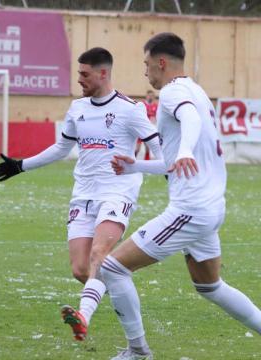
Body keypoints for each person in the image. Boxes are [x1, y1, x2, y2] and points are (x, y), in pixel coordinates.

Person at [97, 32, 261, 360]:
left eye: (146, 65)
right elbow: (179, 163)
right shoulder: (196, 90)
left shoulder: (174, 93)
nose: (145, 72)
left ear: (161, 62)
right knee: (209, 286)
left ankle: (137, 351)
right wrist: (136, 166)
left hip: (191, 210)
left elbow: (190, 119)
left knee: (112, 268)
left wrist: (184, 148)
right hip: (210, 207)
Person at [0, 47, 161, 341]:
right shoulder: (77, 108)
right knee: (82, 269)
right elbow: (61, 147)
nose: (79, 79)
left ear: (103, 73)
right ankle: (120, 290)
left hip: (117, 192)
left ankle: (83, 317)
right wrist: (21, 165)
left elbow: (160, 151)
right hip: (83, 195)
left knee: (99, 255)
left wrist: (147, 168)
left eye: (84, 74)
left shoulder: (130, 109)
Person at [134, 90, 158, 160]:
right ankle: (133, 160)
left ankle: (147, 162)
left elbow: (156, 117)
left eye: (152, 96)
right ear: (146, 96)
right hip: (140, 128)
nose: (150, 97)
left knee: (147, 148)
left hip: (148, 130)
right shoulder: (142, 105)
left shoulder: (155, 106)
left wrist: (154, 119)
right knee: (137, 148)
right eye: (149, 96)